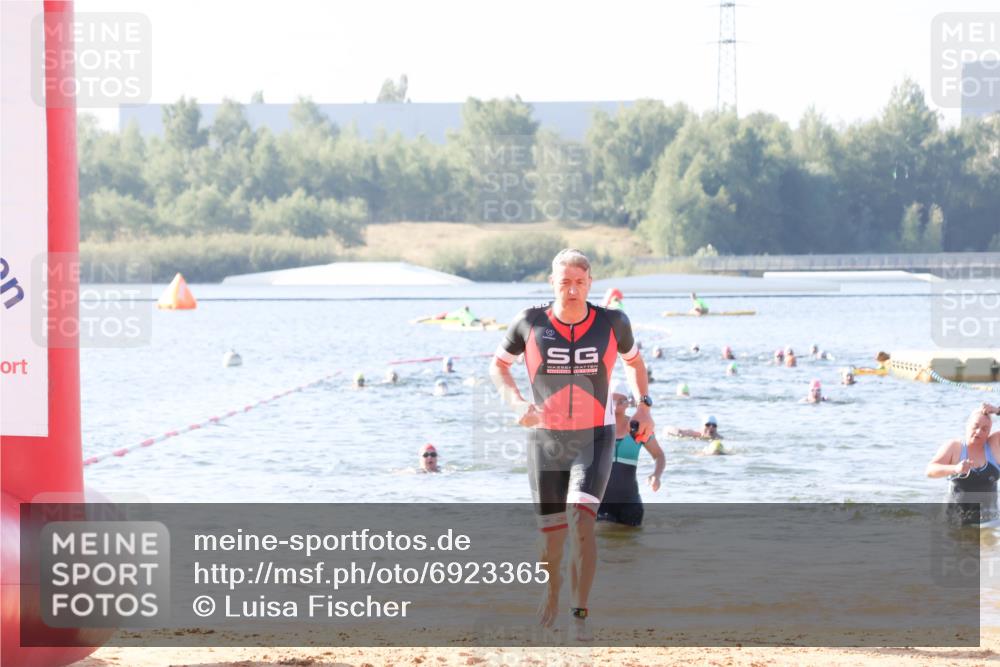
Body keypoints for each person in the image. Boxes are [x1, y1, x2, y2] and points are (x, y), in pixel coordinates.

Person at [489, 248, 653, 641]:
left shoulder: (613, 322)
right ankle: (552, 591)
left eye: (580, 283)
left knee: (582, 520)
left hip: (594, 437)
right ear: (553, 284)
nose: (573, 290)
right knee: (551, 537)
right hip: (546, 440)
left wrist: (644, 407)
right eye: (565, 283)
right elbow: (498, 366)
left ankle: (579, 615)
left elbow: (635, 363)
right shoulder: (529, 322)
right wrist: (516, 403)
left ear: (590, 283)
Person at [597, 383, 666, 527]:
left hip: (631, 504)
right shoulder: (597, 429)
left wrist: (656, 476)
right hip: (600, 504)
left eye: (621, 400)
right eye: (612, 401)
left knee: (631, 546)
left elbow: (659, 455)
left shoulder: (638, 428)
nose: (616, 405)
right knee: (604, 536)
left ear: (628, 403)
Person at [926, 404, 1000, 525]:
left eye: (985, 429)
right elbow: (930, 470)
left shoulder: (994, 445)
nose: (979, 431)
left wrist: (998, 410)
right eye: (975, 426)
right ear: (967, 426)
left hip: (989, 524)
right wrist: (955, 468)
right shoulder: (955, 447)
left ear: (989, 432)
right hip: (955, 522)